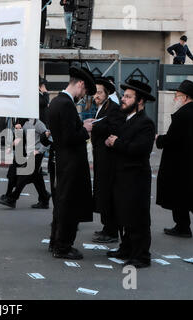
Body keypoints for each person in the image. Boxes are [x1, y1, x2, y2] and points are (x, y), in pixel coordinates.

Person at [105, 79, 156, 269]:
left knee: (138, 218)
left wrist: (116, 142)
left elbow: (139, 149)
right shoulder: (128, 119)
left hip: (136, 179)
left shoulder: (146, 123)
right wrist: (112, 142)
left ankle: (141, 255)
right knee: (125, 215)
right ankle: (126, 248)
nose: (123, 100)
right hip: (123, 177)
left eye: (128, 97)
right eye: (123, 96)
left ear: (140, 101)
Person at [48, 66, 96, 259]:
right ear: (80, 84)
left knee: (62, 202)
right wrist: (86, 130)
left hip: (62, 160)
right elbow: (69, 137)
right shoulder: (67, 104)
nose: (83, 97)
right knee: (70, 205)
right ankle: (63, 246)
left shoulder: (56, 101)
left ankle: (55, 241)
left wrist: (81, 125)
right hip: (72, 163)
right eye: (84, 92)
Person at [156, 80, 193, 237]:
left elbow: (172, 139)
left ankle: (184, 226)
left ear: (185, 98)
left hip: (180, 164)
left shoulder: (182, 115)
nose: (174, 99)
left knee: (179, 195)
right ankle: (184, 226)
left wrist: (159, 139)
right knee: (186, 196)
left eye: (177, 96)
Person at [91, 77, 125, 243]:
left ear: (107, 93)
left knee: (108, 193)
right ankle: (106, 227)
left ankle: (112, 231)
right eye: (95, 92)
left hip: (108, 158)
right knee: (102, 192)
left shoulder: (114, 109)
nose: (95, 96)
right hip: (100, 156)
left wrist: (95, 126)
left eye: (99, 93)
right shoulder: (102, 107)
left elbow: (115, 128)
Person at [0, 118, 51, 209]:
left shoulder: (39, 124)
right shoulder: (26, 123)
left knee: (24, 175)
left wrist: (40, 151)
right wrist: (18, 132)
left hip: (36, 154)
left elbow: (49, 138)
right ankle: (44, 197)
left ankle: (12, 199)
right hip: (28, 153)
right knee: (36, 177)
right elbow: (20, 138)